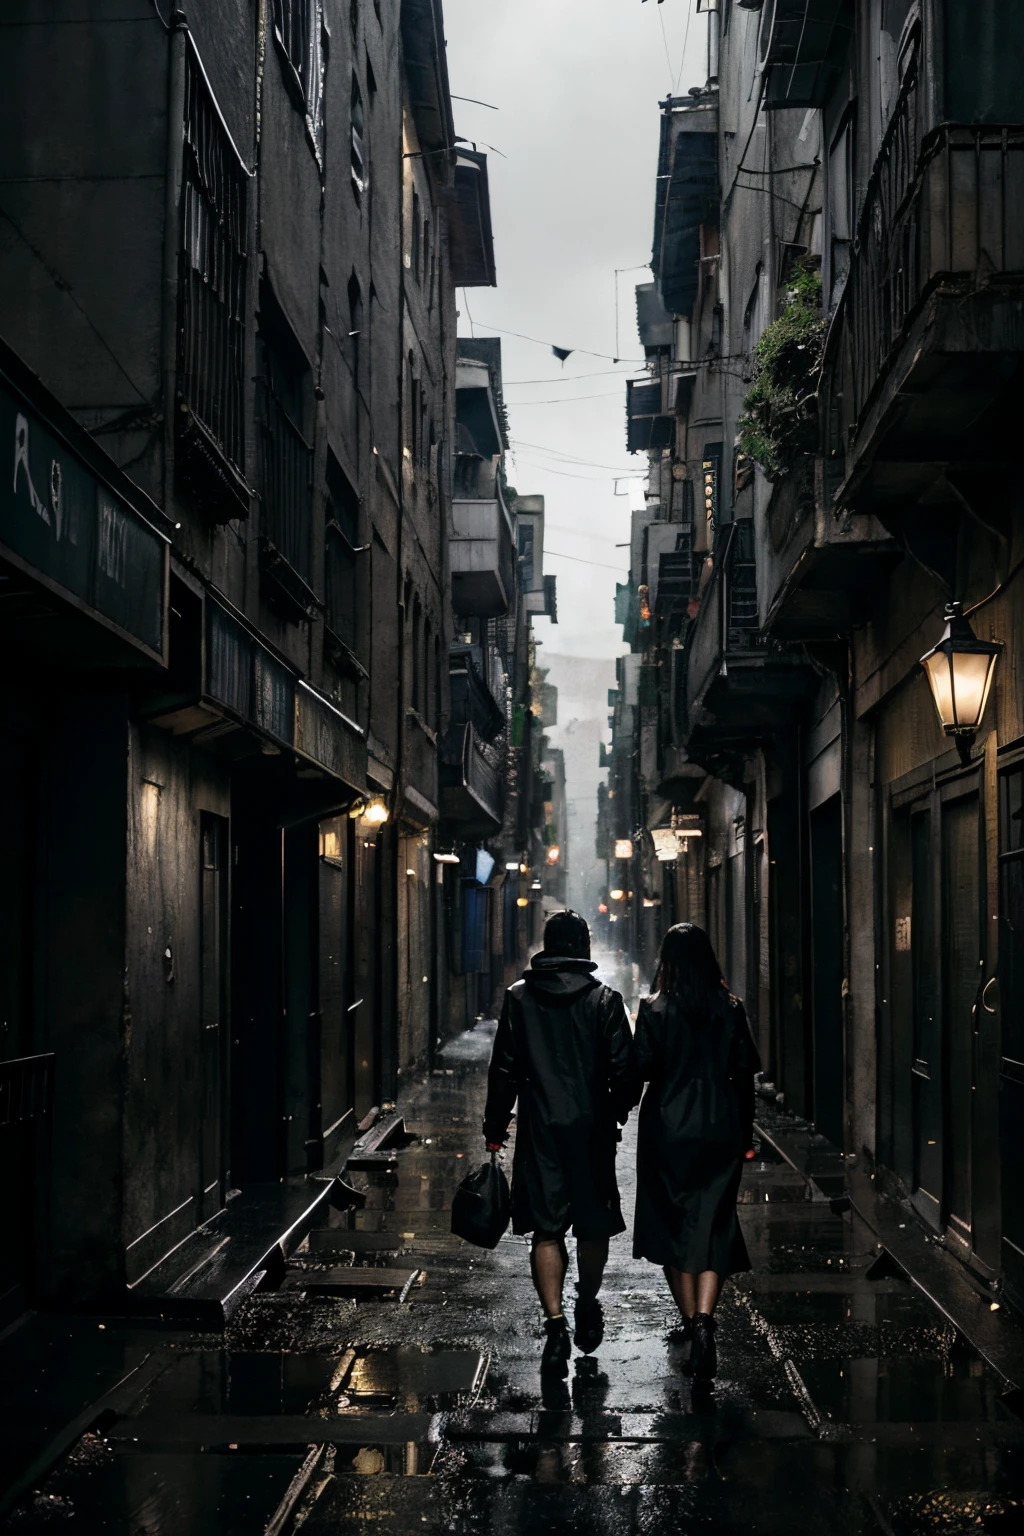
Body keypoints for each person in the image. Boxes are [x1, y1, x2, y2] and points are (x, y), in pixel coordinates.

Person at [483, 910, 638, 1377]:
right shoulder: (604, 1001)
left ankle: (555, 1326)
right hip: (591, 1133)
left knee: (546, 1230)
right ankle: (586, 1303)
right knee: (591, 1226)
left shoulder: (519, 1000)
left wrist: (495, 1126)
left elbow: (504, 1068)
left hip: (540, 1130)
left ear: (547, 947)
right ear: (583, 948)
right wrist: (612, 1111)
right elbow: (627, 1074)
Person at [632, 923, 761, 1384]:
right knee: (714, 1223)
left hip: (667, 1128)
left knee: (673, 1222)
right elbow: (746, 1077)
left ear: (666, 960)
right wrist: (745, 1136)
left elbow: (642, 1067)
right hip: (720, 1126)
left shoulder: (654, 1009)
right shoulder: (730, 1009)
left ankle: (691, 1321)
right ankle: (706, 1320)